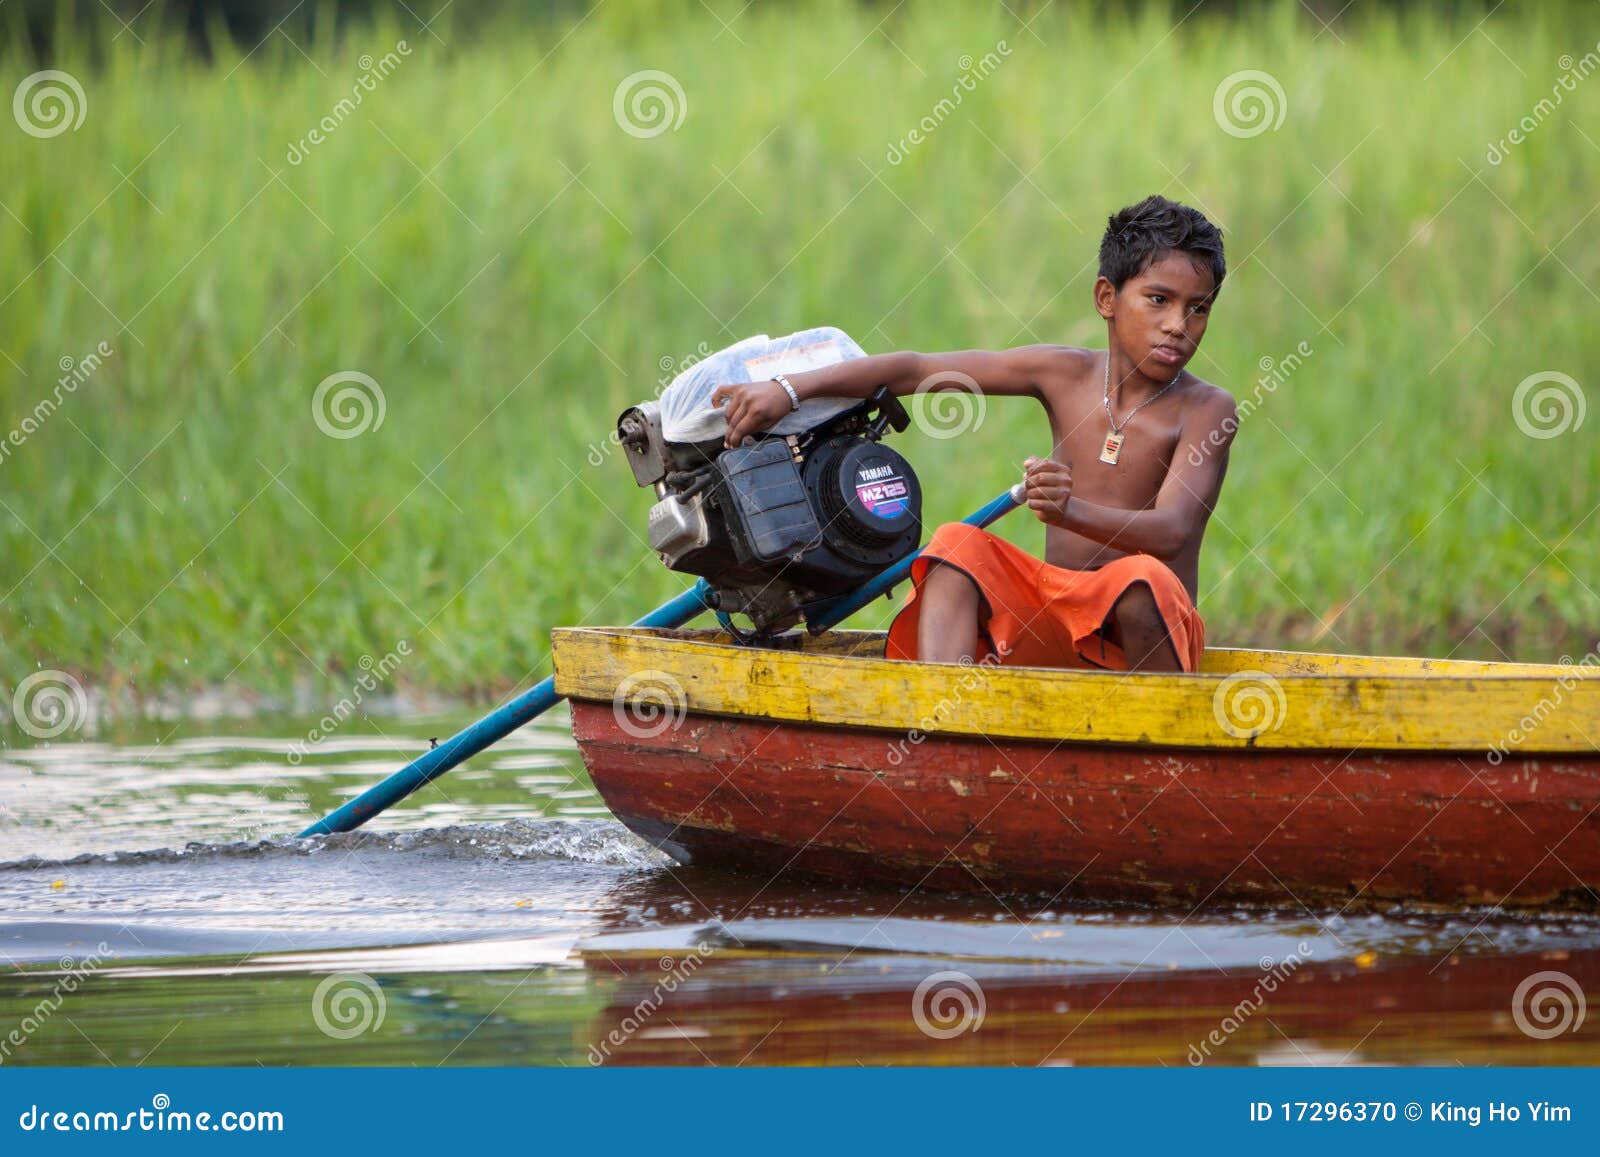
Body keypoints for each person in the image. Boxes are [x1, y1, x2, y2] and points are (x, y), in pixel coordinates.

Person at [709, 194, 1238, 673]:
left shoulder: (1206, 409)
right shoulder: (1065, 375)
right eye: (1159, 300)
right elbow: (916, 370)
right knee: (954, 548)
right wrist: (789, 390)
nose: (1178, 325)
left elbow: (1172, 530)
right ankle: (947, 725)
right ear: (1106, 297)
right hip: (1056, 624)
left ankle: (1157, 745)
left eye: (1199, 309)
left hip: (1143, 640)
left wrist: (1069, 510)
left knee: (1142, 582)